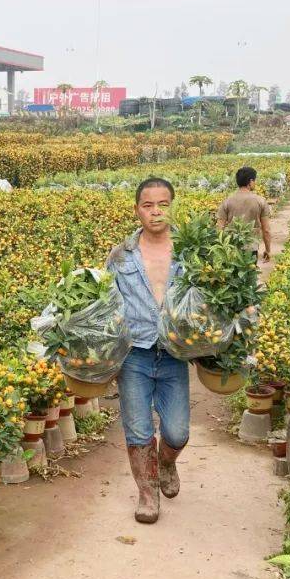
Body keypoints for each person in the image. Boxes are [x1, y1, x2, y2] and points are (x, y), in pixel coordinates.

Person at [105, 177, 189, 524]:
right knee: (138, 429)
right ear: (137, 209)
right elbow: (105, 302)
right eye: (148, 205)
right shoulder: (121, 255)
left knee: (177, 431)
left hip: (173, 353)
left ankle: (166, 460)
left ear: (173, 206)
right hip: (134, 354)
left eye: (163, 204)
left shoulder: (188, 251)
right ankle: (146, 493)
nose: (156, 212)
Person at [217, 166, 272, 262]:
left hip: (231, 247)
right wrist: (268, 250)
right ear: (250, 181)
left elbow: (219, 228)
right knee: (249, 274)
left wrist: (221, 249)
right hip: (251, 247)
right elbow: (266, 230)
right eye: (254, 180)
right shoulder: (260, 201)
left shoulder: (227, 201)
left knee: (233, 275)